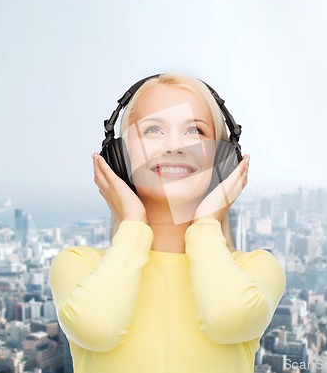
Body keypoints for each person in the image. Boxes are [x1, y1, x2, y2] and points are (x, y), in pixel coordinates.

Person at [49, 73, 286, 373]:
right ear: (118, 158)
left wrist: (205, 222)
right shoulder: (79, 265)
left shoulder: (255, 270)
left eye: (195, 131)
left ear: (223, 159)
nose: (175, 145)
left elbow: (228, 317)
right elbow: (98, 326)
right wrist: (133, 222)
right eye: (153, 130)